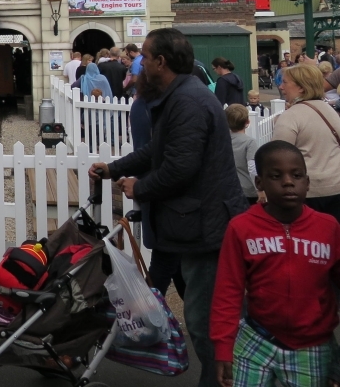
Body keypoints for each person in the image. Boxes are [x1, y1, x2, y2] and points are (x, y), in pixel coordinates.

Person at [90, 28, 248, 387]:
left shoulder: (187, 102)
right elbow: (158, 152)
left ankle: (219, 380)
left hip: (205, 227)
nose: (140, 63)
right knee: (204, 313)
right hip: (194, 223)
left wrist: (139, 187)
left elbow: (181, 167)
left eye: (145, 56)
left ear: (161, 62)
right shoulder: (178, 96)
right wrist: (115, 168)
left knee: (206, 319)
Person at [211, 141, 340, 387]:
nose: (288, 182)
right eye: (276, 176)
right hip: (255, 339)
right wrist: (223, 347)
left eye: (297, 175)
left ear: (308, 181)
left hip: (312, 346)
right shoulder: (241, 228)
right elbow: (228, 292)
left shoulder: (329, 228)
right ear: (260, 183)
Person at [128, 69, 185, 299]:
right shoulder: (146, 106)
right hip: (162, 188)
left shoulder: (149, 105)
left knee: (174, 262)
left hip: (161, 188)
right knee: (166, 260)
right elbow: (149, 150)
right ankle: (148, 313)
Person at [272, 62, 340, 223]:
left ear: (301, 88)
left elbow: (277, 158)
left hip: (308, 194)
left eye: (285, 82)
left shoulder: (291, 117)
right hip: (336, 187)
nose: (281, 87)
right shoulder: (330, 111)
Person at [226, 104, 259, 206]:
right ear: (247, 122)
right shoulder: (250, 142)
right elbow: (252, 167)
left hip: (229, 188)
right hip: (248, 190)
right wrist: (259, 188)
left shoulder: (223, 140)